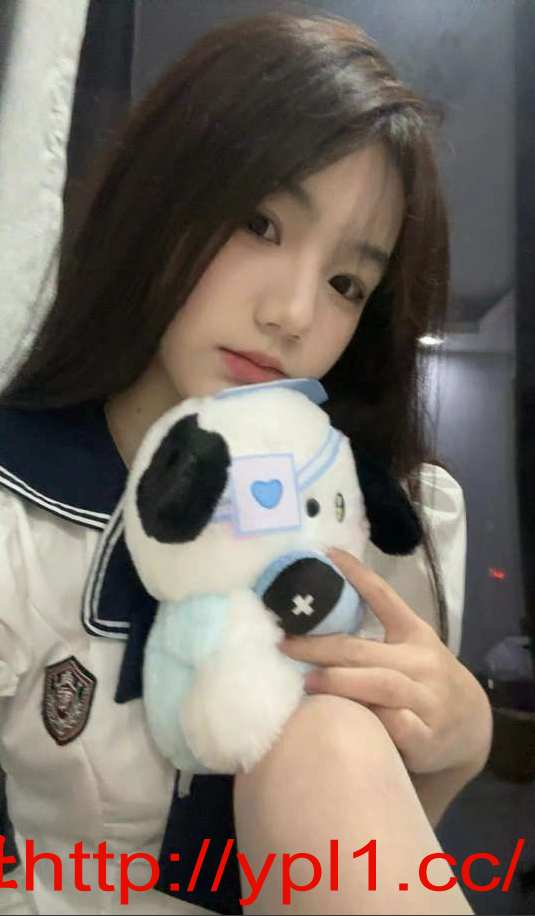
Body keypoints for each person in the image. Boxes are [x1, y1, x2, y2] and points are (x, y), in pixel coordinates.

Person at [0, 8, 492, 915]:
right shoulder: (18, 512)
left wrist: (454, 754)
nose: (292, 313)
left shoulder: (377, 523)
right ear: (160, 194)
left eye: (346, 283)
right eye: (259, 224)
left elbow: (339, 861)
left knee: (326, 730)